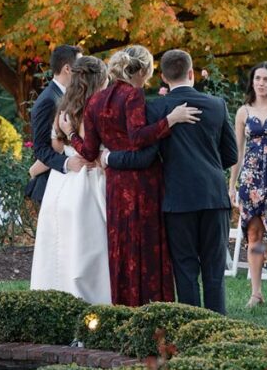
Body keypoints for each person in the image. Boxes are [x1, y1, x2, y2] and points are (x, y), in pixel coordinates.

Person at [65, 45, 200, 306]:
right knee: (148, 247)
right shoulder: (132, 96)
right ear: (144, 70)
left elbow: (90, 151)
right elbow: (138, 137)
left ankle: (124, 305)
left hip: (115, 184)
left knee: (122, 247)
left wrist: (71, 134)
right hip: (143, 183)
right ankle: (151, 306)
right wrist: (169, 120)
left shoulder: (95, 100)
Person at [106, 50, 237, 314]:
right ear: (191, 73)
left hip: (177, 199)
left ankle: (191, 326)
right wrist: (208, 166)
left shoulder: (155, 108)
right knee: (214, 271)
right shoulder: (216, 105)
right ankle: (219, 329)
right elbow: (231, 155)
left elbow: (145, 154)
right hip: (214, 195)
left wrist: (109, 158)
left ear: (164, 78)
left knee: (186, 270)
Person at [31, 56, 111, 302]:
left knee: (59, 245)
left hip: (61, 184)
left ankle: (54, 300)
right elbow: (92, 149)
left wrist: (66, 153)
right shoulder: (98, 110)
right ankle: (90, 300)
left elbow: (55, 143)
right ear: (99, 79)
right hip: (87, 181)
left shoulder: (64, 107)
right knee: (88, 245)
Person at [228, 63, 267, 308]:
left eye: (266, 79)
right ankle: (256, 293)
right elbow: (238, 152)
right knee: (254, 235)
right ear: (252, 82)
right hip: (251, 181)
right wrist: (232, 183)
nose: (261, 83)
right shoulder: (244, 111)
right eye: (258, 79)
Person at [25, 45, 87, 204]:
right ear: (67, 68)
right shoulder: (49, 100)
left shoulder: (66, 95)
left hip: (69, 184)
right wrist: (67, 163)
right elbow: (40, 148)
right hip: (51, 185)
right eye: (79, 66)